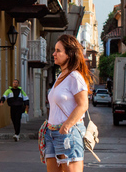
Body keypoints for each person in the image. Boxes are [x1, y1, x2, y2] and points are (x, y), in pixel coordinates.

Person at [45, 34, 93, 172]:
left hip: (68, 133)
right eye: (55, 50)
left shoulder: (75, 77)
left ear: (69, 55)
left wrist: (66, 126)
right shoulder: (60, 76)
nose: (54, 54)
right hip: (52, 133)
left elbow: (83, 104)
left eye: (58, 51)